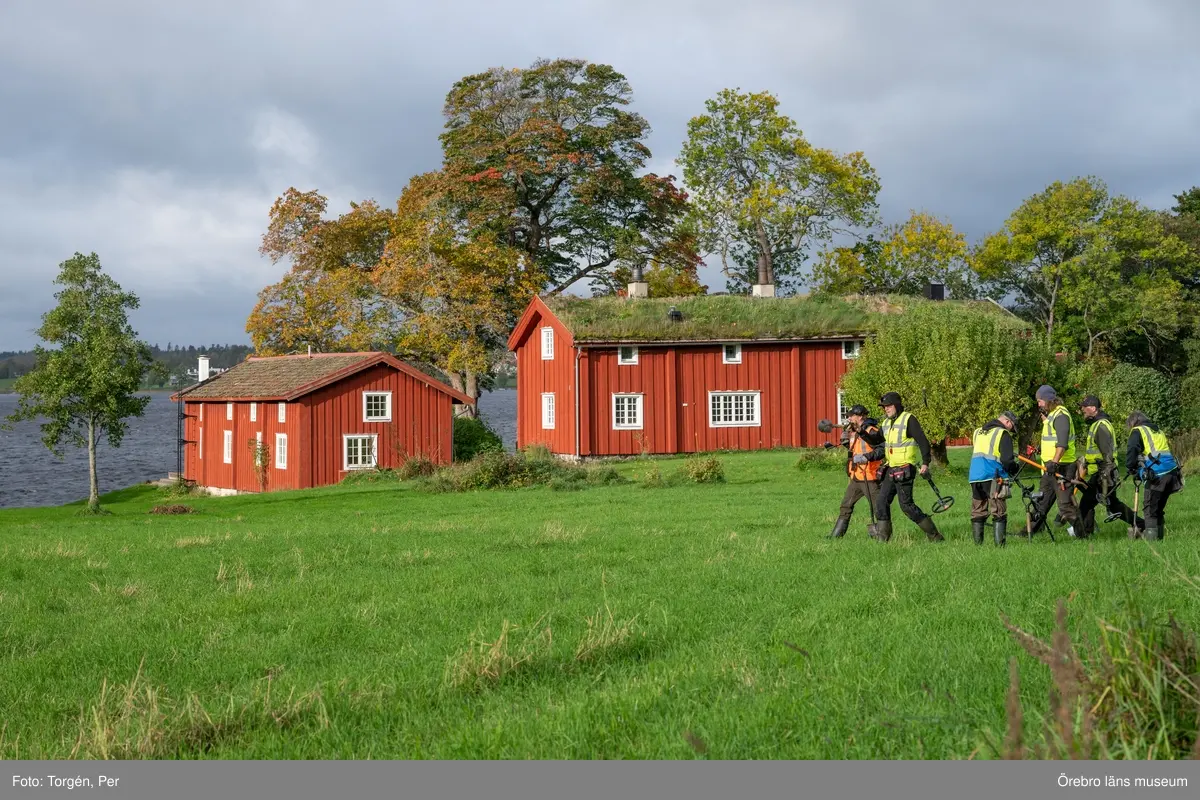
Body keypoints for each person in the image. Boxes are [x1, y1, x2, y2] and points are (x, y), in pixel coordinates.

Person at [871, 391, 944, 543]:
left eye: (888, 406)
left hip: (905, 469)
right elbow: (875, 440)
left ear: (896, 405)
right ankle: (883, 539)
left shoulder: (908, 419)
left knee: (907, 507)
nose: (886, 409)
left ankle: (935, 536)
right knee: (881, 502)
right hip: (890, 468)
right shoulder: (885, 423)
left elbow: (923, 441)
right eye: (884, 407)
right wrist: (861, 432)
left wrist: (925, 463)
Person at [1077, 396, 1143, 537]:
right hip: (1100, 472)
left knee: (1098, 505)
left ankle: (1082, 534)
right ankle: (1083, 533)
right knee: (1096, 504)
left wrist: (1105, 477)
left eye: (1084, 406)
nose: (1082, 409)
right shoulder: (1097, 424)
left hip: (1103, 473)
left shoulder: (1101, 425)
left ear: (1093, 408)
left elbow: (1107, 454)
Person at [1029, 385, 1080, 537]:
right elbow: (1052, 440)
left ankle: (1082, 533)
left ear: (1047, 400)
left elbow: (1062, 443)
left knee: (1065, 505)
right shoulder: (1052, 415)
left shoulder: (1061, 415)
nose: (1039, 404)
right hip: (1049, 468)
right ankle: (1030, 531)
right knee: (1041, 501)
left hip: (1062, 467)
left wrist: (1055, 462)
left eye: (1040, 401)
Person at [828, 405, 886, 539]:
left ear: (860, 416)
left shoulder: (872, 431)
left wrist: (866, 457)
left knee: (879, 508)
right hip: (856, 477)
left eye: (851, 415)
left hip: (869, 477)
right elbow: (855, 449)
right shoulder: (854, 431)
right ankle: (835, 537)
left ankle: (883, 536)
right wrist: (845, 442)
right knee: (845, 506)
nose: (849, 417)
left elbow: (881, 450)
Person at [1124, 410, 1183, 541]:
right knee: (1158, 509)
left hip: (1157, 474)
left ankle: (1152, 544)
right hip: (1172, 472)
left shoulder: (1137, 431)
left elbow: (1132, 450)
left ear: (1133, 422)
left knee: (1150, 510)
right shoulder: (1158, 431)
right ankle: (1160, 539)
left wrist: (1130, 468)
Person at [967, 410, 1019, 546]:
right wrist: (1014, 468)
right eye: (1012, 427)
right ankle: (1000, 546)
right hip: (993, 476)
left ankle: (978, 545)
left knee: (977, 510)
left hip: (975, 476)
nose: (1011, 430)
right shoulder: (1003, 434)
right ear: (1008, 422)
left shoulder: (978, 432)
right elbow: (1007, 460)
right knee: (998, 510)